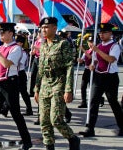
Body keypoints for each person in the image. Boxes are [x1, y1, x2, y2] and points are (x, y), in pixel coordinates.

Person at [0, 22, 32, 150]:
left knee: (16, 114)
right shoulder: (0, 48)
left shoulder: (16, 48)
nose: (1, 35)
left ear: (11, 33)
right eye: (0, 33)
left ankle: (27, 141)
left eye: (3, 32)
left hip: (11, 83)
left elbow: (6, 63)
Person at [34, 17, 80, 150]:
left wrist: (68, 89)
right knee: (44, 121)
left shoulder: (62, 44)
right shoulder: (42, 46)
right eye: (42, 27)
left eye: (47, 27)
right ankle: (49, 146)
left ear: (55, 28)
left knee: (56, 119)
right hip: (44, 85)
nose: (44, 30)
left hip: (58, 83)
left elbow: (69, 67)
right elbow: (40, 69)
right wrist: (36, 89)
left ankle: (73, 139)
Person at [79, 23, 123, 137]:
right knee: (93, 101)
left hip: (110, 77)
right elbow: (96, 60)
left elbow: (111, 59)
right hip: (98, 76)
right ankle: (90, 128)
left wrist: (97, 50)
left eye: (104, 33)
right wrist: (93, 65)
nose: (101, 35)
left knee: (113, 103)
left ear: (110, 33)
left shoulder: (114, 46)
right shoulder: (98, 45)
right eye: (100, 33)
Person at [0, 34, 33, 117]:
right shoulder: (14, 49)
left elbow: (19, 63)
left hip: (20, 73)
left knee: (23, 93)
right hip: (15, 73)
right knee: (12, 93)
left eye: (18, 42)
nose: (16, 43)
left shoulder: (23, 52)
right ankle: (5, 109)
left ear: (21, 43)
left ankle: (29, 109)